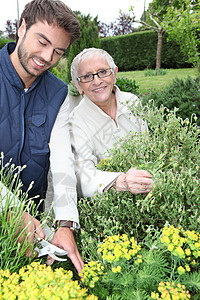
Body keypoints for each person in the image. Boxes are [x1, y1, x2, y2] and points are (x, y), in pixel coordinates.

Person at [0, 0, 84, 273]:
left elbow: (62, 161)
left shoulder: (58, 93)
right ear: (22, 26)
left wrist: (65, 224)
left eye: (58, 51)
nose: (48, 57)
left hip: (31, 226)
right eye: (42, 42)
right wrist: (9, 210)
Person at [69, 48, 153, 198]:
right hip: (111, 203)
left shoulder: (132, 102)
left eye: (103, 72)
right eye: (87, 76)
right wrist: (123, 182)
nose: (97, 81)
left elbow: (150, 147)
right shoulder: (76, 121)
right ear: (78, 85)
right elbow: (83, 176)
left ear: (114, 74)